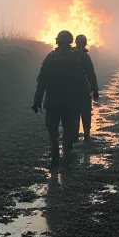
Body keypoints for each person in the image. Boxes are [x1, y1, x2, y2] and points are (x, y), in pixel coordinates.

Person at [32, 30, 89, 169]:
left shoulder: (50, 58)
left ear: (57, 41)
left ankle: (55, 155)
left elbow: (41, 81)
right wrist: (82, 98)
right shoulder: (75, 59)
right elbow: (81, 81)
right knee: (69, 129)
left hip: (52, 102)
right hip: (70, 103)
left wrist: (37, 100)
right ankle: (67, 155)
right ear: (70, 42)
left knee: (53, 130)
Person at [74, 34, 100, 144]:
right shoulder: (85, 56)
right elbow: (91, 74)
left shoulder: (69, 55)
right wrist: (95, 90)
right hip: (83, 90)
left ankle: (74, 137)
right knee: (85, 113)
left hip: (70, 91)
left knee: (73, 114)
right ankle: (86, 136)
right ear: (84, 44)